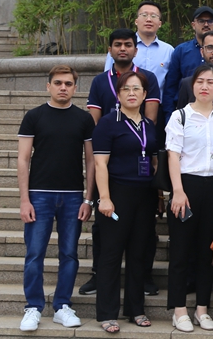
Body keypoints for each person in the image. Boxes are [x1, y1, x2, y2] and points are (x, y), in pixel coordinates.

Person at [82, 28, 161, 297]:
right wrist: (105, 144)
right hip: (110, 161)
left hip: (138, 161)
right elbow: (94, 121)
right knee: (103, 229)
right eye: (117, 45)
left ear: (136, 50)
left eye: (128, 44)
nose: (123, 49)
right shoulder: (100, 81)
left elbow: (150, 120)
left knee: (145, 233)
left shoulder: (146, 78)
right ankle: (99, 275)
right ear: (110, 50)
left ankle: (144, 277)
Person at [17, 65, 95, 332]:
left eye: (68, 84)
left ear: (75, 88)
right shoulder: (34, 116)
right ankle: (33, 307)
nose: (63, 88)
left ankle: (62, 305)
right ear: (48, 86)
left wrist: (88, 199)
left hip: (73, 196)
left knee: (69, 254)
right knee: (34, 253)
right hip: (39, 194)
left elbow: (91, 161)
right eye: (58, 83)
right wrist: (24, 200)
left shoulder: (84, 119)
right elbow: (23, 159)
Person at [166, 65, 213, 332]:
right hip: (187, 186)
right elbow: (173, 155)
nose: (205, 86)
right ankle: (179, 310)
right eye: (200, 82)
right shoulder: (180, 116)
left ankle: (202, 309)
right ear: (192, 86)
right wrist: (178, 190)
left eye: (210, 82)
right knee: (181, 250)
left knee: (209, 251)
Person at [92, 70, 159, 332]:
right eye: (126, 89)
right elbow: (100, 163)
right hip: (116, 195)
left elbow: (153, 160)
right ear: (118, 94)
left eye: (137, 89)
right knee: (111, 253)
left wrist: (158, 196)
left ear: (145, 94)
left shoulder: (149, 125)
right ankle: (107, 313)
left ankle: (135, 309)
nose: (132, 93)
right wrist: (104, 198)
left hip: (144, 196)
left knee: (138, 253)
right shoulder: (108, 123)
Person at [163, 6, 213, 116]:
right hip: (190, 114)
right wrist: (169, 117)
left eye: (210, 21)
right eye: (201, 21)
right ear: (193, 24)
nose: (206, 24)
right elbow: (171, 88)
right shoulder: (181, 51)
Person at [102, 1, 174, 103]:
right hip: (124, 104)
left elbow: (171, 84)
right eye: (144, 15)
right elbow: (108, 78)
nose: (148, 19)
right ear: (136, 21)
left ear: (160, 23)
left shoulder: (168, 50)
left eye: (154, 16)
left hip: (157, 105)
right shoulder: (121, 48)